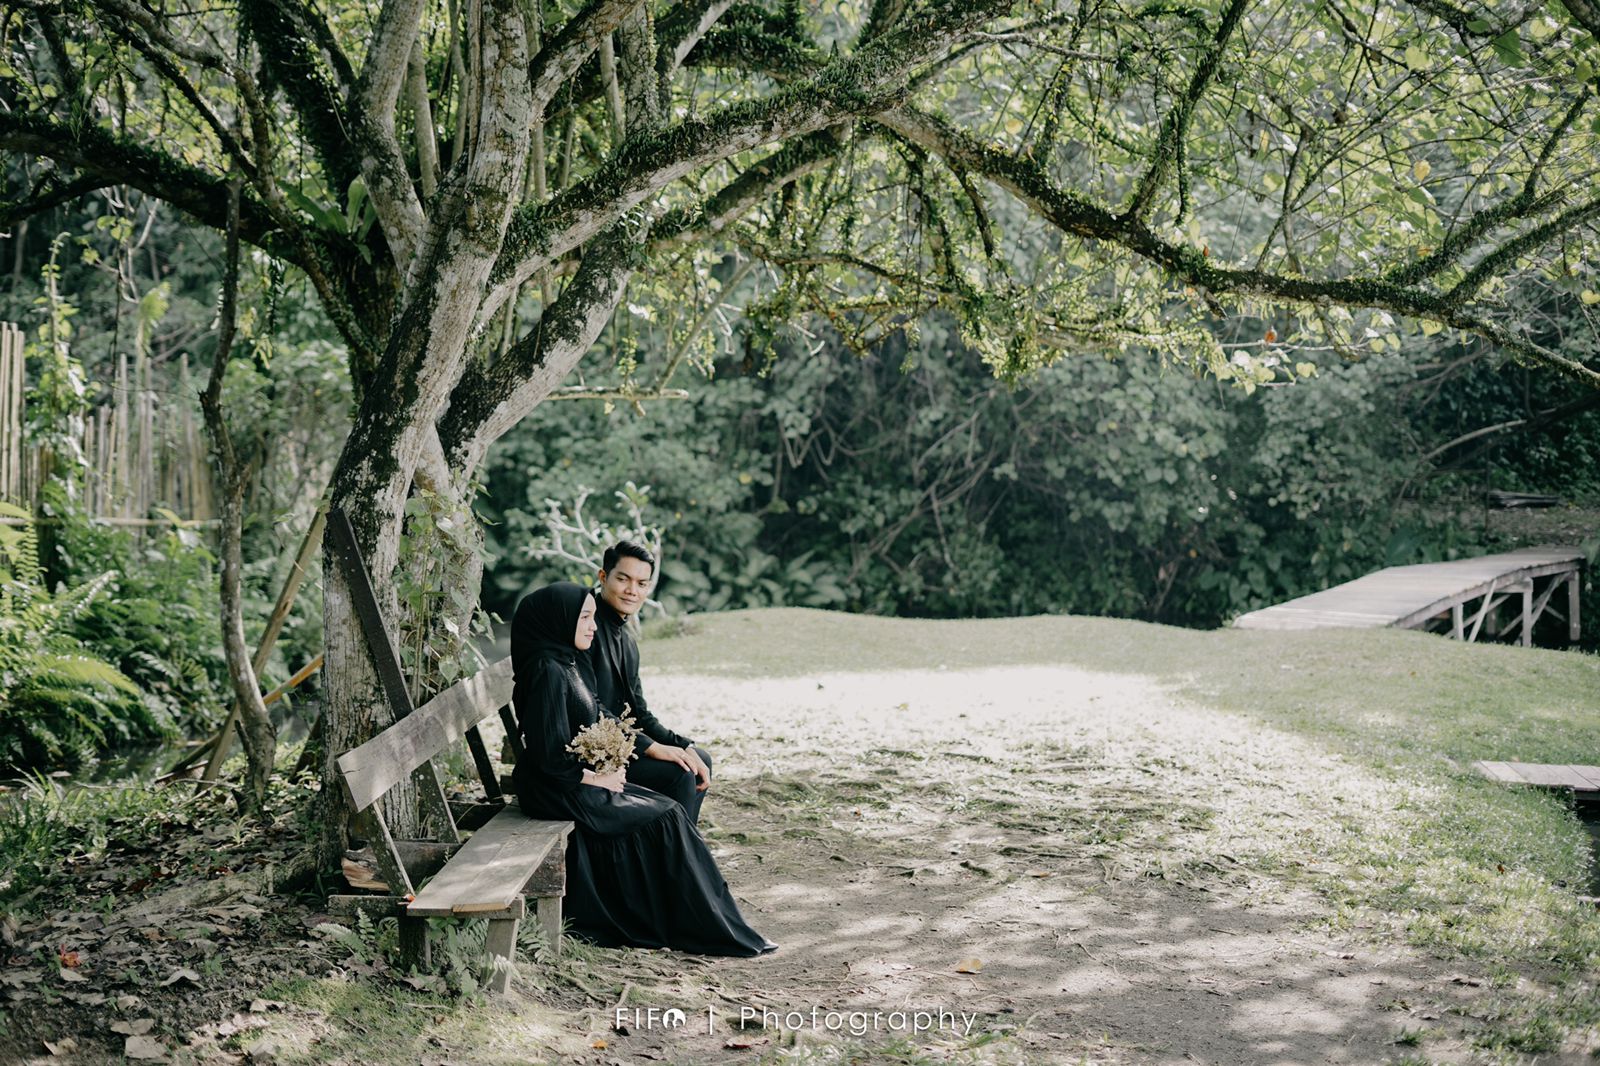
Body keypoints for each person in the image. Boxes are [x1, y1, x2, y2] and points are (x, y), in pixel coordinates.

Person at [509, 581, 774, 956]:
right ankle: (691, 924)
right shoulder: (546, 671)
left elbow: (597, 714)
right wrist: (598, 778)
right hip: (554, 789)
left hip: (570, 781)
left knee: (669, 810)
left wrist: (633, 754)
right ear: (559, 620)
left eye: (592, 617)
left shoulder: (566, 662)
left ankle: (704, 920)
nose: (594, 626)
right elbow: (548, 756)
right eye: (584, 618)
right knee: (666, 817)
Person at [590, 541, 713, 825]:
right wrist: (651, 747)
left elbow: (639, 713)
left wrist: (682, 744)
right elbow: (587, 707)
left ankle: (683, 843)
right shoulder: (586, 628)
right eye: (623, 579)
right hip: (590, 752)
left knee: (698, 759)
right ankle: (677, 847)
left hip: (621, 743)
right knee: (680, 772)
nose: (632, 590)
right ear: (603, 577)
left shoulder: (627, 640)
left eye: (642, 583)